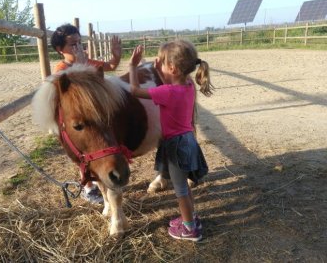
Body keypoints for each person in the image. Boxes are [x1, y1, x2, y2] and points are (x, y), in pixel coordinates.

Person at [128, 40, 213, 241]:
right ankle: (190, 218)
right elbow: (171, 84)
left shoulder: (165, 92)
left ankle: (190, 229)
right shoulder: (189, 85)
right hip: (188, 141)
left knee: (180, 190)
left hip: (175, 145)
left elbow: (134, 90)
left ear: (173, 68)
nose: (161, 68)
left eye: (163, 65)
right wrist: (161, 69)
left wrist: (132, 66)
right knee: (183, 185)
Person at [50, 23, 122, 204]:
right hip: (77, 120)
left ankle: (97, 180)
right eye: (72, 44)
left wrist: (116, 55)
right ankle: (88, 188)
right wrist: (81, 67)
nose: (78, 48)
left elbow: (111, 66)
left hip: (91, 116)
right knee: (81, 154)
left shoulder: (87, 62)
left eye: (80, 43)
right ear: (60, 49)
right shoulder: (61, 70)